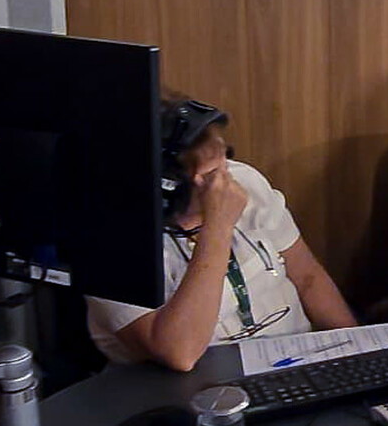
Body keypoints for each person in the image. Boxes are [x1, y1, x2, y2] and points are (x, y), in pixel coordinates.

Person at [91, 94, 359, 370]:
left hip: (294, 364)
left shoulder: (244, 179)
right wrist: (217, 226)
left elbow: (307, 277)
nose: (227, 178)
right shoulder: (111, 241)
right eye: (213, 173)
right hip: (198, 393)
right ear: (169, 188)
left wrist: (360, 354)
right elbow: (179, 353)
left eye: (224, 158)